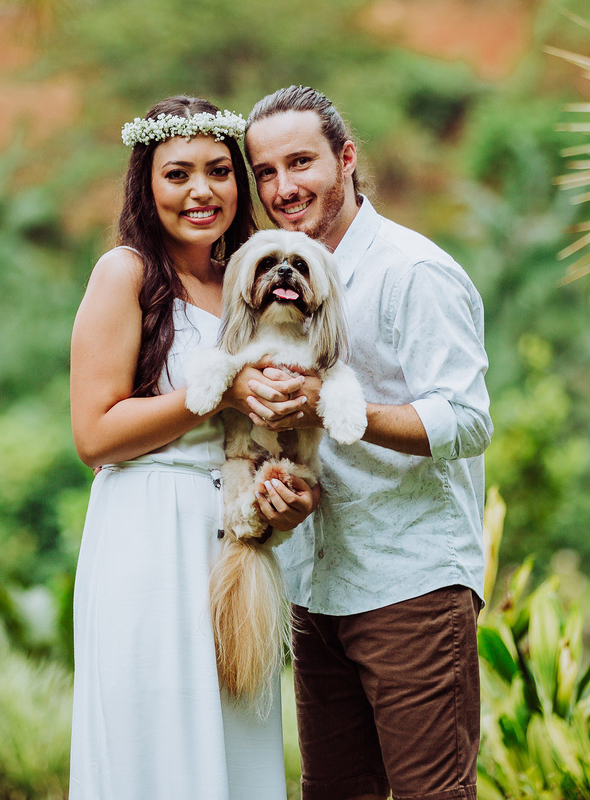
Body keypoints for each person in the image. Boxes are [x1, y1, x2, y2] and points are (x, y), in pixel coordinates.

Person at [233, 86, 493, 800]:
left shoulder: (414, 272)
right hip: (315, 590)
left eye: (301, 162)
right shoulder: (269, 282)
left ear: (345, 160)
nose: (284, 188)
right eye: (265, 172)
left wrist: (333, 408)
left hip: (409, 586)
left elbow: (467, 420)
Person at [67, 95, 316, 800]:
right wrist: (219, 392)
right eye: (178, 174)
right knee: (160, 745)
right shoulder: (126, 273)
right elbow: (93, 435)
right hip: (149, 536)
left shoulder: (250, 276)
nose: (202, 191)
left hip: (237, 545)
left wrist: (284, 493)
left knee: (235, 748)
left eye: (218, 171)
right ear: (146, 185)